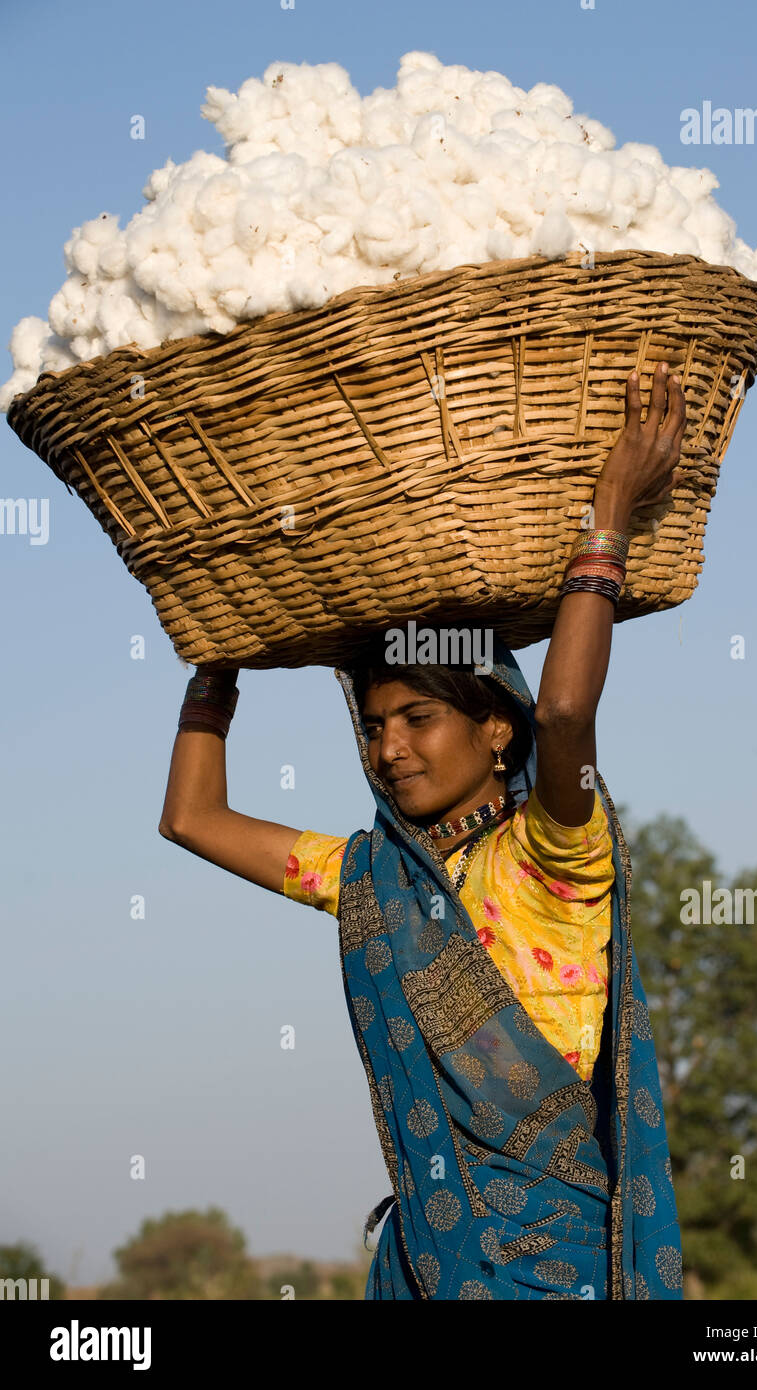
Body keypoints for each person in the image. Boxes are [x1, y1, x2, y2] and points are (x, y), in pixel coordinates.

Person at [159, 364, 687, 1300]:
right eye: (371, 726)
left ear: (495, 729)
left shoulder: (556, 855)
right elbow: (191, 819)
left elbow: (565, 713)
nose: (387, 748)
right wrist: (218, 656)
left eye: (416, 718)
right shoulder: (371, 878)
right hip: (422, 1269)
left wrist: (607, 513)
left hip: (552, 1269)